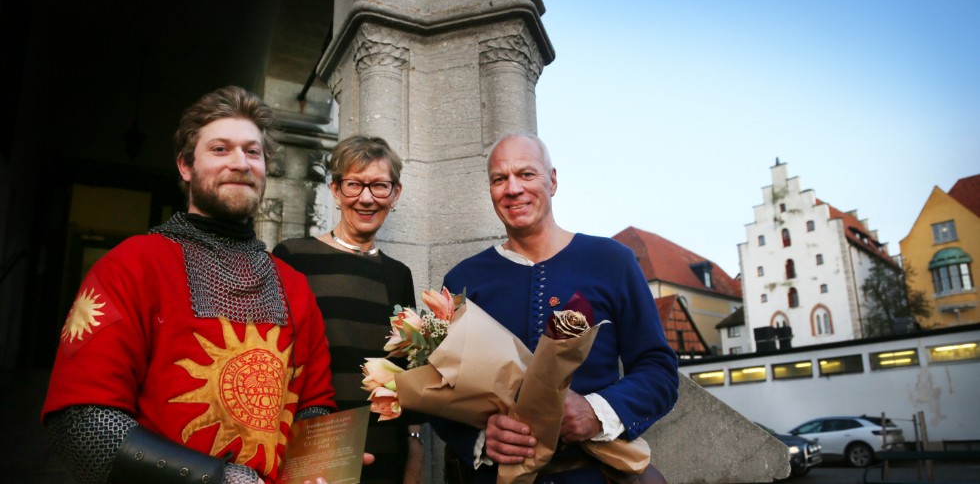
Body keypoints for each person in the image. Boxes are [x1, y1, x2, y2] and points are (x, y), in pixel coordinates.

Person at [41, 86, 342, 484]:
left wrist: (318, 469)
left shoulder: (294, 287)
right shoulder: (134, 265)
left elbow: (313, 405)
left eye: (253, 152)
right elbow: (83, 419)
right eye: (220, 149)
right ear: (185, 166)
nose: (241, 163)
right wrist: (222, 480)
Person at [436, 133, 679, 484]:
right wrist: (480, 439)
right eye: (499, 179)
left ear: (552, 180)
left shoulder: (612, 261)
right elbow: (441, 385)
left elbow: (659, 371)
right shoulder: (463, 279)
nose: (513, 188)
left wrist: (597, 411)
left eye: (526, 174)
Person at [273, 135, 424, 484]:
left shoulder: (399, 275)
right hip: (314, 449)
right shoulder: (293, 258)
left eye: (379, 186)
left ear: (395, 193)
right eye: (354, 184)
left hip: (388, 455)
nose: (367, 198)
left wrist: (415, 451)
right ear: (336, 190)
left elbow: (410, 369)